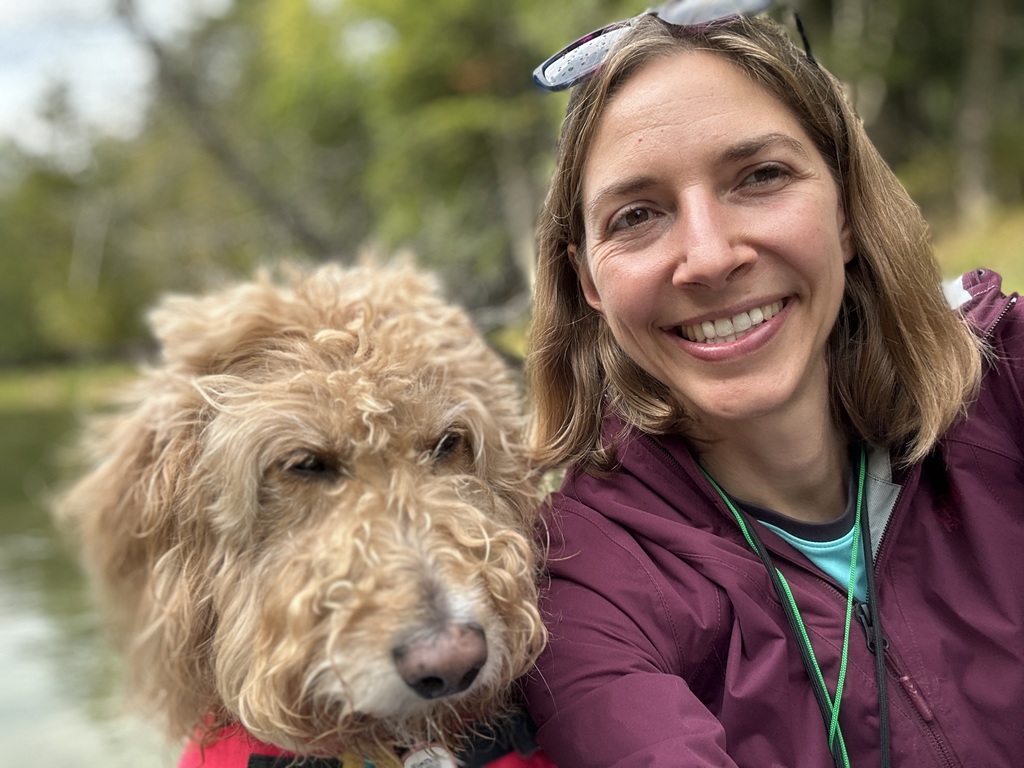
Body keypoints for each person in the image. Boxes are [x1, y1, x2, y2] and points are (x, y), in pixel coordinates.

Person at [522, 2, 1024, 766]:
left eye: (760, 176)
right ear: (585, 278)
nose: (710, 256)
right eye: (636, 215)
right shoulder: (581, 582)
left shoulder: (1007, 383)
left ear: (847, 208)